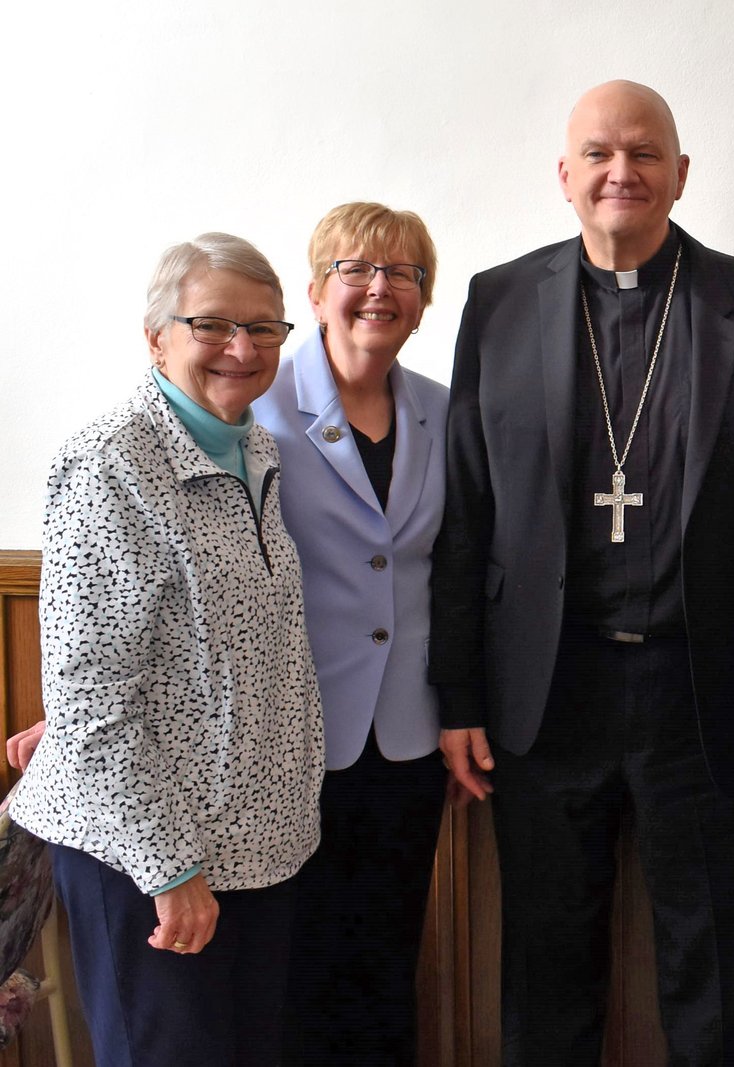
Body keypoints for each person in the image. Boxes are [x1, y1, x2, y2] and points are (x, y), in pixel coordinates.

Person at [428, 80, 734, 1065]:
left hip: (704, 686)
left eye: (646, 153)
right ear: (564, 176)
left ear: (681, 174)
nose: (624, 172)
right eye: (601, 153)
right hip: (545, 685)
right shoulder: (497, 301)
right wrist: (458, 691)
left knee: (720, 955)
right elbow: (465, 506)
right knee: (546, 952)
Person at [7, 234, 322, 1066]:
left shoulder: (255, 446)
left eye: (264, 329)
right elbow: (92, 701)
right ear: (157, 336)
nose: (242, 349)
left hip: (250, 844)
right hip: (144, 855)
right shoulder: (109, 462)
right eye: (213, 324)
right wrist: (170, 867)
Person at [254, 202, 449, 1065]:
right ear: (315, 289)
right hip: (292, 738)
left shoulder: (445, 410)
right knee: (300, 968)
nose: (379, 288)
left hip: (409, 735)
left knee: (388, 959)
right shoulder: (254, 405)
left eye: (402, 273)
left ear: (423, 297)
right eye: (356, 270)